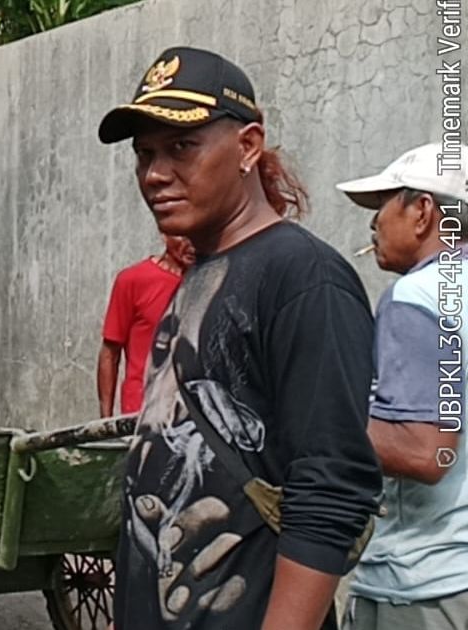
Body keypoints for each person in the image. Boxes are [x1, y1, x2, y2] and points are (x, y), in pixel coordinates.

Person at [97, 47, 383, 630]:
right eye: (144, 154)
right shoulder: (202, 271)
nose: (154, 174)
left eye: (182, 147)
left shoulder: (304, 278)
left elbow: (330, 488)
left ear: (248, 147)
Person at [335, 143, 468, 629]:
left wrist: (314, 413)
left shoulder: (417, 295)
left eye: (384, 205)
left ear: (422, 212)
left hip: (422, 582)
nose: (374, 225)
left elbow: (424, 452)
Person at [98, 235, 195, 417]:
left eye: (197, 234)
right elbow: (110, 353)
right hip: (143, 411)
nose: (192, 245)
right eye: (184, 236)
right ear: (164, 235)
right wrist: (106, 422)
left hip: (192, 414)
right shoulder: (133, 280)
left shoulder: (210, 280)